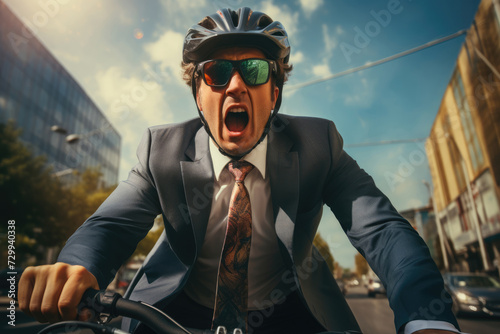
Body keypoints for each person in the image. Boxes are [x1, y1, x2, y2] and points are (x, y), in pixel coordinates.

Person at [19, 7, 462, 334]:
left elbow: (383, 231)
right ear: (198, 95)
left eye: (253, 70)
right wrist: (74, 268)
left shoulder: (319, 145)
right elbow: (110, 225)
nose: (235, 84)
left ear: (275, 92)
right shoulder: (161, 150)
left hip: (289, 311)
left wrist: (428, 318)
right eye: (216, 73)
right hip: (180, 310)